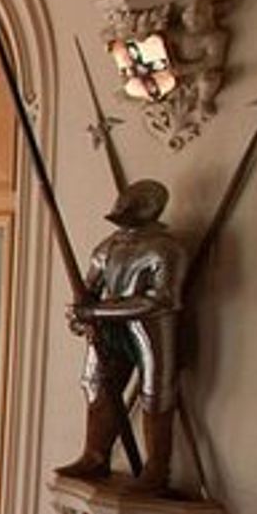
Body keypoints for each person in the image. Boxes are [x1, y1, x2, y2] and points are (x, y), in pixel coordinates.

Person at [57, 179, 187, 494]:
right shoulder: (108, 247)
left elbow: (161, 300)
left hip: (152, 328)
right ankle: (95, 455)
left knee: (155, 393)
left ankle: (156, 469)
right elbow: (88, 292)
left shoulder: (166, 248)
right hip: (110, 328)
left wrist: (96, 313)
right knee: (96, 384)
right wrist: (79, 316)